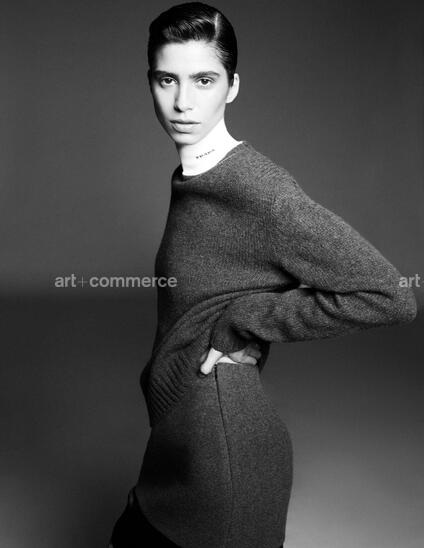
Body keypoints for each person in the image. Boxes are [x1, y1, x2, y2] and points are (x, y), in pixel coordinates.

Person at [109, 2, 417, 547]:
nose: (182, 102)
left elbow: (391, 295)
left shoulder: (258, 190)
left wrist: (248, 318)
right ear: (150, 83)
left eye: (204, 80)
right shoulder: (195, 175)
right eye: (167, 79)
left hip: (225, 458)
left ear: (232, 87)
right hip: (176, 442)